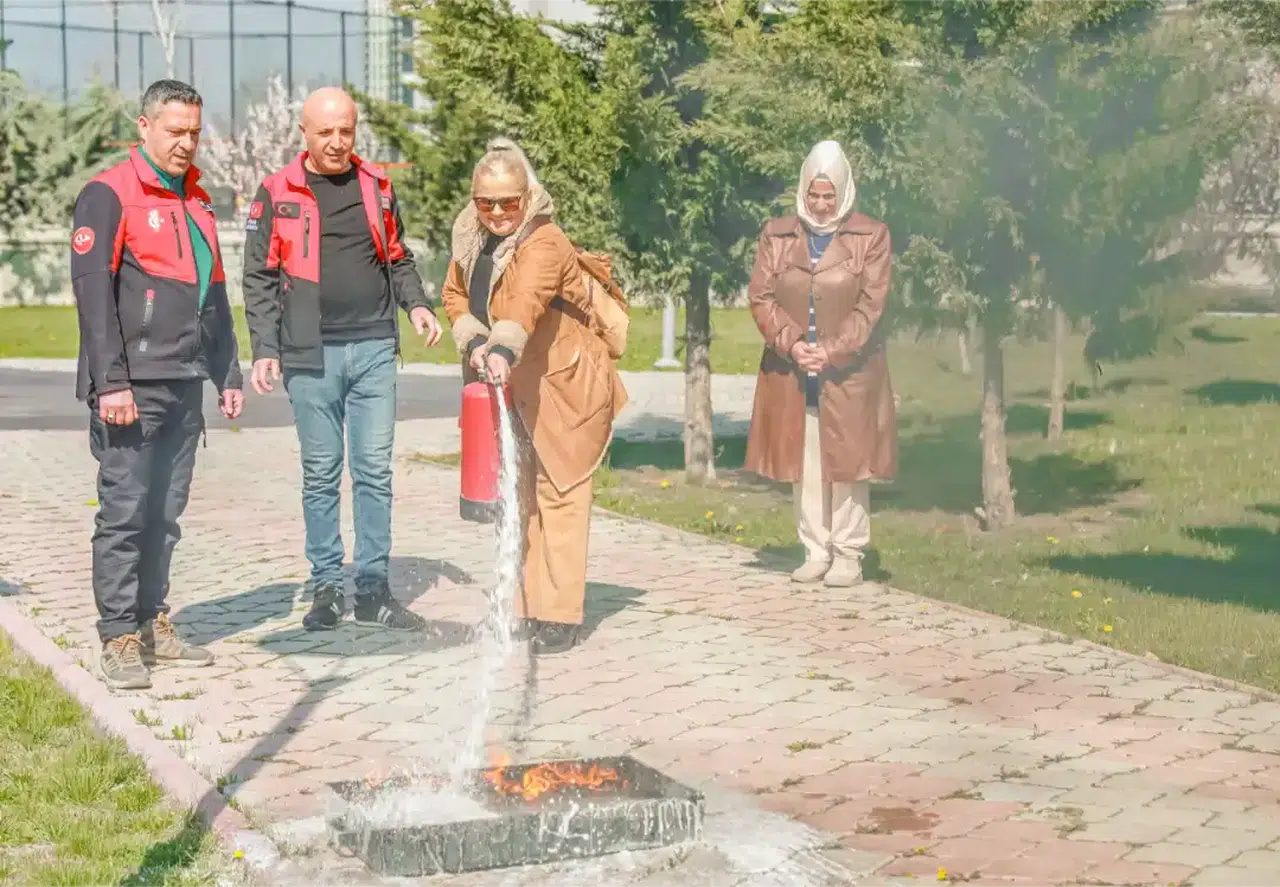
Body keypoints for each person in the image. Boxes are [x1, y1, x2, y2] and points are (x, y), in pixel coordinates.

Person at [241, 87, 442, 632]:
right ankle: (327, 587)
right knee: (321, 473)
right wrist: (265, 348)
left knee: (374, 471)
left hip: (374, 347)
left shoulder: (377, 186)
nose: (336, 141)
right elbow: (259, 277)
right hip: (309, 354)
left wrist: (417, 306)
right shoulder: (276, 192)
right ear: (304, 133)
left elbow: (398, 256)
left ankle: (373, 588)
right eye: (325, 131)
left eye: (345, 131)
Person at [69, 79, 244, 690]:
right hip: (132, 388)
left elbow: (213, 295)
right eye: (175, 131)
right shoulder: (109, 194)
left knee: (166, 514)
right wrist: (111, 383)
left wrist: (226, 370)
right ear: (144, 126)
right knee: (125, 512)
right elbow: (93, 297)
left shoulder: (198, 201)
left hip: (184, 381)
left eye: (194, 132)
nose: (186, 143)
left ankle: (151, 621)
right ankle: (118, 635)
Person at [440, 138, 628, 656]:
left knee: (560, 491)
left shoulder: (546, 240)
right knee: (520, 494)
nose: (498, 213)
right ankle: (526, 605)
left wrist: (501, 346)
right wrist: (473, 339)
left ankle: (560, 614)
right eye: (486, 202)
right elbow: (454, 293)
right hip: (515, 384)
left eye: (509, 202)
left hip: (565, 384)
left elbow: (526, 299)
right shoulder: (472, 238)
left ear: (526, 197)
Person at [743, 140, 897, 588]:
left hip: (849, 370)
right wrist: (794, 345)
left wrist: (831, 350)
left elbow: (871, 304)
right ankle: (815, 549)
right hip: (793, 368)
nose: (822, 204)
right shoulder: (777, 235)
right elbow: (761, 296)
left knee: (848, 460)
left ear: (844, 192)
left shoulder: (871, 236)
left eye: (830, 195)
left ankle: (848, 553)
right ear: (803, 190)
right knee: (806, 456)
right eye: (815, 194)